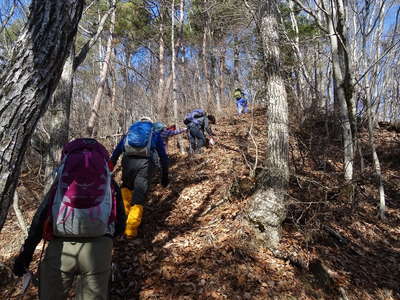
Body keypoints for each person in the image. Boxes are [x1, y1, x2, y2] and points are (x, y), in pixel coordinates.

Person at [13, 138, 126, 300]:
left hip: (61, 249)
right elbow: (120, 225)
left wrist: (25, 256)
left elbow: (39, 220)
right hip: (99, 249)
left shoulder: (61, 185)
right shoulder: (110, 185)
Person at [109, 117, 169, 239]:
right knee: (139, 196)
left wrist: (109, 168)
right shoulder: (154, 134)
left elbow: (117, 151)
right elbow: (163, 156)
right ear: (150, 123)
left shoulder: (130, 133)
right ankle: (130, 230)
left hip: (128, 163)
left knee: (126, 188)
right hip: (145, 165)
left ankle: (122, 221)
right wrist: (165, 176)